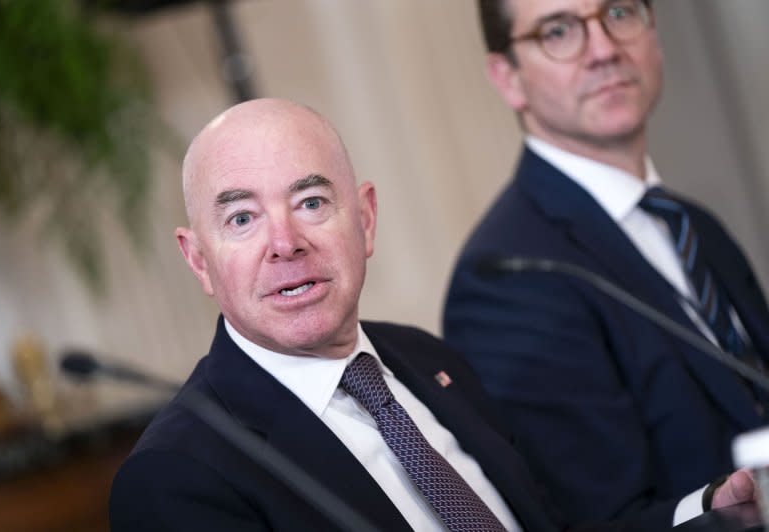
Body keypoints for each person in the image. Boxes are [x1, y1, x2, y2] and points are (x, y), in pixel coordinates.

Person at [109, 98, 753, 532]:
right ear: (199, 261)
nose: (285, 242)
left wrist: (712, 511)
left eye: (310, 201)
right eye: (242, 218)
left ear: (364, 221)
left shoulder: (427, 361)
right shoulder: (176, 478)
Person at [443, 0, 769, 527]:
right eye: (558, 30)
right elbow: (597, 521)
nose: (603, 50)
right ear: (509, 78)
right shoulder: (507, 277)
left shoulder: (693, 224)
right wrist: (727, 511)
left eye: (618, 13)